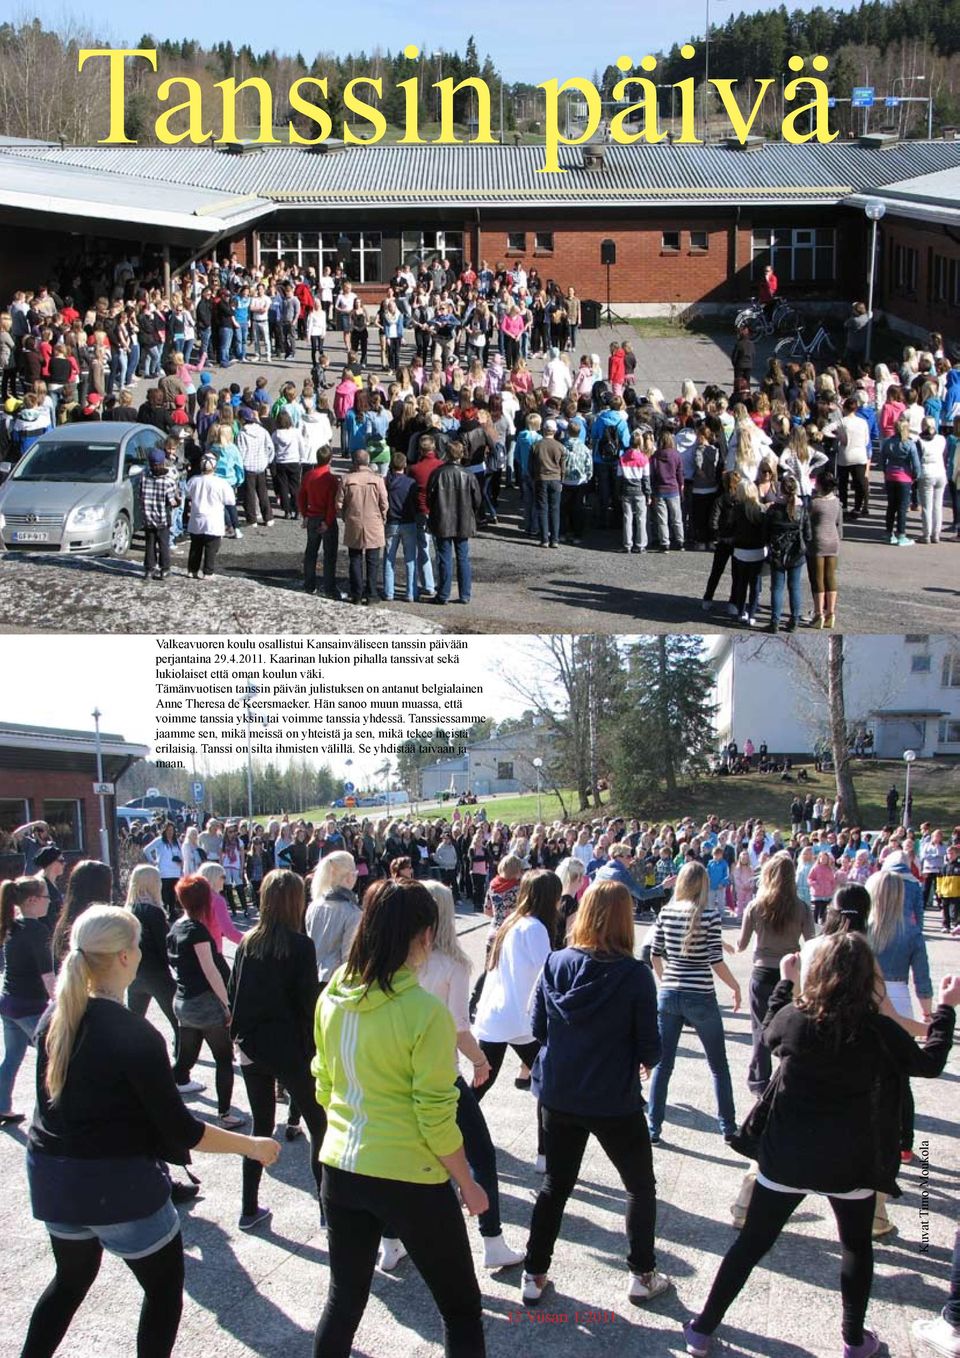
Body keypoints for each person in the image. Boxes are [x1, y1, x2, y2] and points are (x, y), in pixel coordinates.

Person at [682, 933, 959, 1358]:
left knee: (752, 1243)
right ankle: (852, 1340)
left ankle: (703, 1328)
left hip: (787, 1155)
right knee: (855, 1247)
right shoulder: (879, 1030)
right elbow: (929, 1063)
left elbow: (769, 1032)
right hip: (850, 1160)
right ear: (868, 978)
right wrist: (945, 1010)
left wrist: (785, 982)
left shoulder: (796, 1017)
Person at [20, 905, 279, 1358]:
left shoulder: (53, 1019)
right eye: (138, 945)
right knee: (162, 1290)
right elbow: (182, 1130)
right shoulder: (135, 1035)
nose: (142, 953)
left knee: (70, 1281)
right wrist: (252, 1145)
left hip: (53, 1182)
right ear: (123, 957)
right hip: (116, 1186)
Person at [312, 879, 487, 1358]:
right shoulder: (425, 1012)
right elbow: (435, 1117)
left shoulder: (331, 995)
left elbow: (324, 1085)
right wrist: (468, 1183)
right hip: (410, 1177)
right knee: (461, 1309)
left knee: (344, 1301)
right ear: (426, 936)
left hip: (341, 1168)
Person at [521, 881, 668, 1307]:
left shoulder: (557, 962)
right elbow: (651, 1048)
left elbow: (538, 1029)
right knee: (639, 1186)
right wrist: (640, 1058)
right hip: (612, 1098)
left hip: (560, 1093)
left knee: (555, 1185)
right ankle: (642, 1273)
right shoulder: (635, 975)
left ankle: (534, 1272)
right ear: (625, 919)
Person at [403, 879, 525, 1272]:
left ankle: (391, 1240)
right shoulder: (451, 963)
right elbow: (457, 1026)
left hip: (401, 1072)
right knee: (481, 1156)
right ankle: (492, 1240)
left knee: (406, 1158)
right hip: (440, 1074)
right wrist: (480, 1061)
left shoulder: (400, 958)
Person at [228, 869, 326, 1231]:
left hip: (253, 1048)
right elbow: (308, 1004)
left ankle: (248, 1208)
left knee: (261, 1125)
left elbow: (232, 992)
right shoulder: (301, 946)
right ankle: (326, 1209)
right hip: (291, 1051)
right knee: (320, 1126)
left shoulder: (247, 942)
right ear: (296, 902)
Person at [646, 861, 740, 1145]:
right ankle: (728, 1126)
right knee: (718, 1065)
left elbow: (654, 953)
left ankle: (654, 1128)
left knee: (663, 1065)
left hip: (670, 993)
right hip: (700, 994)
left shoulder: (667, 912)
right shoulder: (709, 915)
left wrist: (665, 982)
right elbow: (715, 960)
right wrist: (735, 987)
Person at [472, 869, 560, 1134]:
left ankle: (449, 1131)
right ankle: (545, 1152)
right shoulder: (534, 928)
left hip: (503, 1016)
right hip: (518, 1019)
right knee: (546, 1083)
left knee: (483, 1082)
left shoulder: (514, 920)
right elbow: (549, 974)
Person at [168, 875, 245, 1126]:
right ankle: (225, 1114)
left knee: (186, 1056)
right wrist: (228, 1005)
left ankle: (169, 1097)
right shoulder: (198, 931)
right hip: (205, 1005)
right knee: (223, 1058)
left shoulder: (177, 926)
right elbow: (211, 971)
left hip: (183, 1002)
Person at [735, 853, 815, 1096]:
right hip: (790, 972)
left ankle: (760, 1082)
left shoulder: (756, 907)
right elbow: (811, 942)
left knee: (761, 1029)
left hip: (762, 972)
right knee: (791, 1027)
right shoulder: (801, 907)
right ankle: (790, 1076)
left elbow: (742, 942)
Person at [0, 877, 55, 1124]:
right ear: (32, 901)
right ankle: (53, 1112)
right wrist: (59, 1002)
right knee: (55, 1055)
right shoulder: (36, 930)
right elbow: (48, 975)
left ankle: (2, 1105)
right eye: (46, 897)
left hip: (9, 1003)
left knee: (12, 1056)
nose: (50, 901)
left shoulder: (13, 924)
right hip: (28, 1006)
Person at [124, 865, 179, 1056]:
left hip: (134, 974)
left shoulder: (128, 910)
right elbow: (164, 945)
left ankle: (127, 1056)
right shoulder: (154, 912)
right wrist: (177, 967)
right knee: (178, 1020)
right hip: (156, 973)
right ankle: (180, 1066)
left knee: (133, 1020)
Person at [427, 440, 482, 606]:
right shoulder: (468, 475)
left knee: (444, 558)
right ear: (461, 455)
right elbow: (477, 500)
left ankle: (443, 594)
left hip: (442, 519)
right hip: (463, 519)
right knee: (463, 558)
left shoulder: (438, 474)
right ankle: (465, 594)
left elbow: (430, 498)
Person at [336, 448, 388, 606]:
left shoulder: (346, 479)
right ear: (368, 461)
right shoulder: (377, 480)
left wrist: (345, 516)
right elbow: (384, 503)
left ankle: (356, 593)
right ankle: (371, 593)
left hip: (354, 521)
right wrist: (382, 517)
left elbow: (338, 503)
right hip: (374, 522)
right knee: (373, 560)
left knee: (355, 558)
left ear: (354, 462)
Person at [305, 850, 361, 986]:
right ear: (349, 877)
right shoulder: (353, 913)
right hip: (336, 981)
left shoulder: (314, 906)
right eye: (355, 874)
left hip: (312, 976)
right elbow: (349, 958)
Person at [298, 445, 341, 599]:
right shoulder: (330, 479)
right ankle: (329, 586)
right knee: (329, 555)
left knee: (311, 551)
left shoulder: (309, 475)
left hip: (312, 516)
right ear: (330, 459)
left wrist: (305, 514)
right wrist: (328, 522)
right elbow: (331, 503)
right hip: (325, 518)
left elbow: (301, 496)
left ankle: (309, 584)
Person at [808, 470, 843, 630]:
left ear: (820, 485)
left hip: (818, 542)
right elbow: (839, 524)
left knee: (817, 580)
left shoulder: (815, 503)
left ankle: (818, 614)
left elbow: (807, 523)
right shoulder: (837, 502)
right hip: (833, 541)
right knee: (830, 578)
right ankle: (831, 613)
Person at [142, 822, 184, 919]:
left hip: (175, 871)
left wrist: (181, 862)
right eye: (168, 830)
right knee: (164, 892)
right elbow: (146, 850)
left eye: (172, 830)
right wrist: (153, 861)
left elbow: (181, 853)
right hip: (164, 872)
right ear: (164, 831)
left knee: (173, 892)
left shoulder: (176, 842)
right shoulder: (160, 841)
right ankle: (164, 911)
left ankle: (172, 911)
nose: (170, 832)